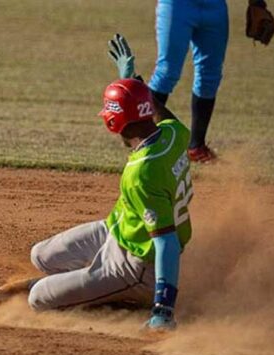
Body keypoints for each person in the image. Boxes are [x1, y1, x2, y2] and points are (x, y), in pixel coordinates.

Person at [25, 75, 194, 330]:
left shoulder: (141, 172)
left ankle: (129, 295)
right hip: (116, 229)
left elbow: (166, 242)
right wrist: (134, 84)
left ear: (113, 122)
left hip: (136, 264)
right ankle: (93, 284)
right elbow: (161, 114)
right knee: (40, 256)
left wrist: (164, 308)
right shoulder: (175, 133)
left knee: (37, 298)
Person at [109, 1, 274, 163]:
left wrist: (257, 3)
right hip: (178, 4)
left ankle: (196, 147)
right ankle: (142, 140)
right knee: (167, 72)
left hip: (214, 6)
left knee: (210, 75)